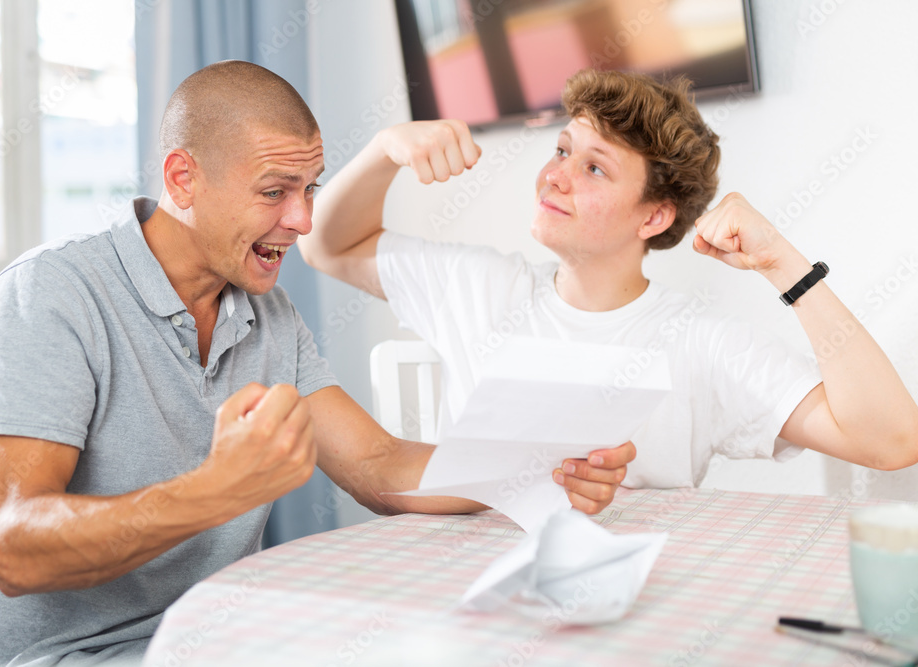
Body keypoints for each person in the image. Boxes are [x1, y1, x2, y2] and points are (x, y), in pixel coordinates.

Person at [0, 61, 633, 666]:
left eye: (309, 189)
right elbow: (15, 550)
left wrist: (531, 464)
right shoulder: (52, 293)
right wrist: (214, 491)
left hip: (221, 637)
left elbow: (378, 464)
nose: (303, 220)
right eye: (274, 192)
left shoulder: (267, 311)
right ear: (183, 179)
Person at [299, 68, 918, 490]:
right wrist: (384, 151)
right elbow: (325, 245)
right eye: (562, 150)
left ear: (654, 217)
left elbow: (890, 442)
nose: (555, 176)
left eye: (594, 168)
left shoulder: (703, 344)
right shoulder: (478, 286)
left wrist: (783, 262)